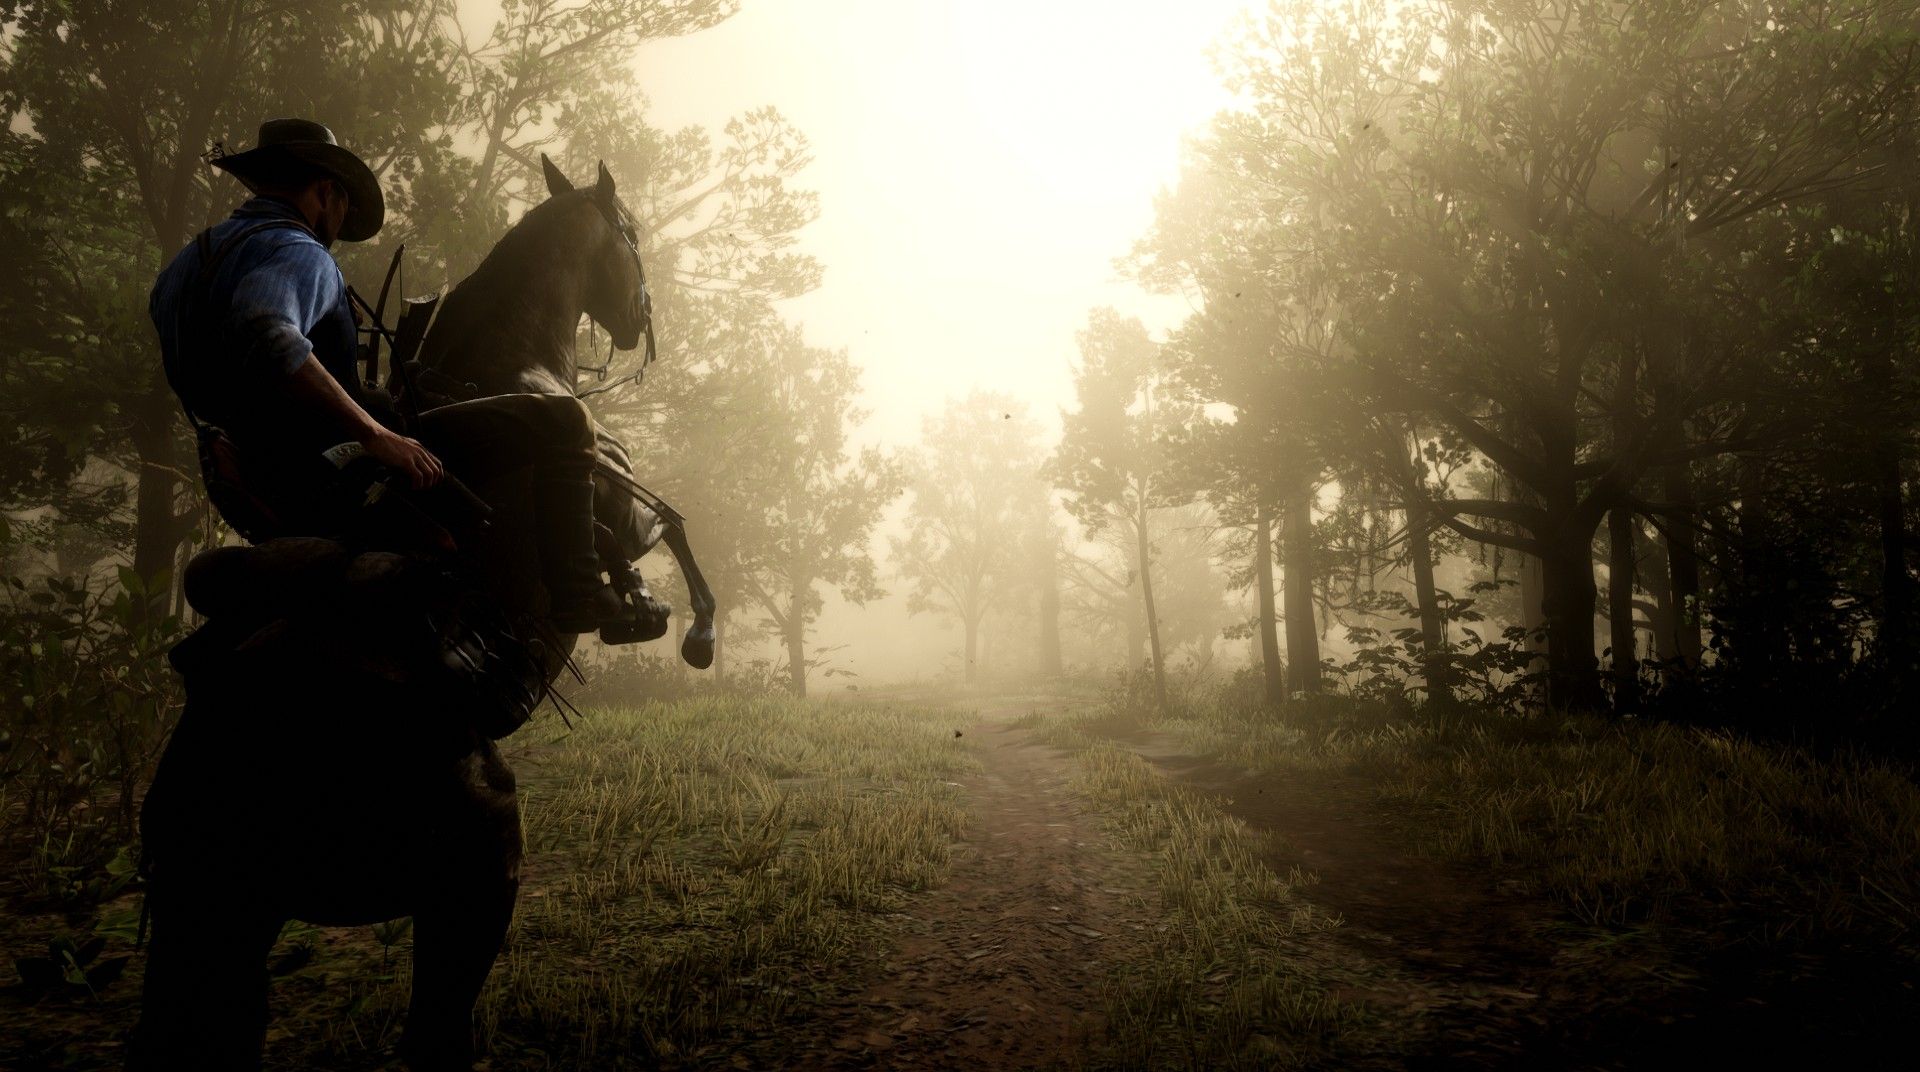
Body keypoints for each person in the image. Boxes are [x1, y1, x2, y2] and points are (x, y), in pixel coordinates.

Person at [149, 118, 623, 631]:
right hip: (344, 468)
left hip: (264, 475)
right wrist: (377, 435)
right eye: (343, 206)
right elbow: (265, 332)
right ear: (326, 192)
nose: (339, 226)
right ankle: (578, 595)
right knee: (568, 420)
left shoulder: (181, 271)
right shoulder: (299, 250)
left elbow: (227, 363)